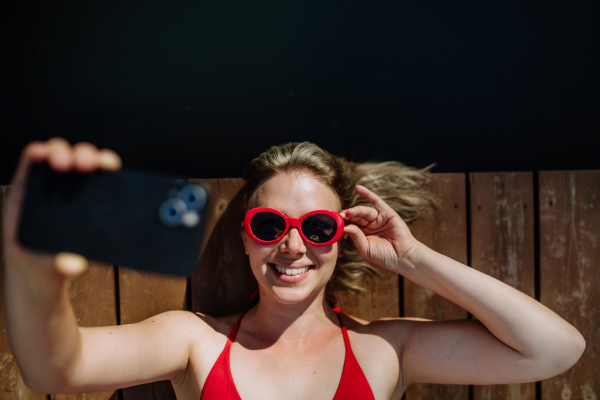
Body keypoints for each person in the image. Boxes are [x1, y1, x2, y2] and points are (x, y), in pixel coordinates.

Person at [4, 138, 585, 400]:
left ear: (342, 237)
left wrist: (416, 260)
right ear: (246, 236)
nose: (291, 245)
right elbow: (56, 368)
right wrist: (35, 272)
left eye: (317, 228)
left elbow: (553, 351)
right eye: (268, 225)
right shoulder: (193, 341)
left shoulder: (385, 350)